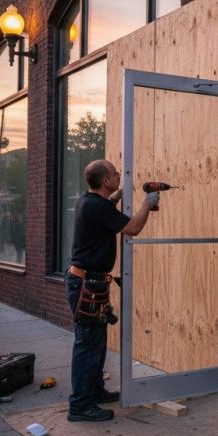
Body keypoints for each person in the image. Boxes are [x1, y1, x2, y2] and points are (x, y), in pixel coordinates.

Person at [65, 160, 158, 422]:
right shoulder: (97, 207)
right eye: (116, 174)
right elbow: (133, 228)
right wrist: (147, 203)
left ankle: (93, 391)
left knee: (96, 343)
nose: (119, 176)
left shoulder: (90, 201)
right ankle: (80, 406)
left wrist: (118, 196)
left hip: (88, 283)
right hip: (86, 284)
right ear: (106, 181)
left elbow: (107, 207)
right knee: (88, 345)